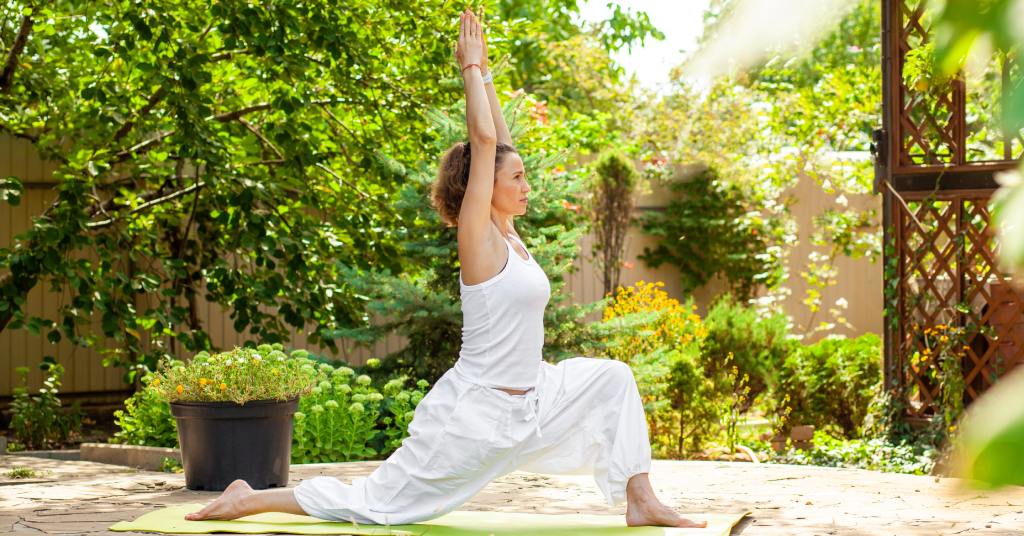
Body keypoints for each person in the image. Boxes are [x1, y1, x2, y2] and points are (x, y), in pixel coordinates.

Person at [183, 8, 705, 529]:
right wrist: (469, 72)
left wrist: (489, 75)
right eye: (517, 178)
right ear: (486, 186)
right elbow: (486, 146)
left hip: (538, 399)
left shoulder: (509, 232)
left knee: (613, 379)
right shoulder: (477, 238)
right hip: (476, 418)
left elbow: (498, 144)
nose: (527, 185)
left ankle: (642, 500)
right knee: (380, 506)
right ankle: (248, 498)